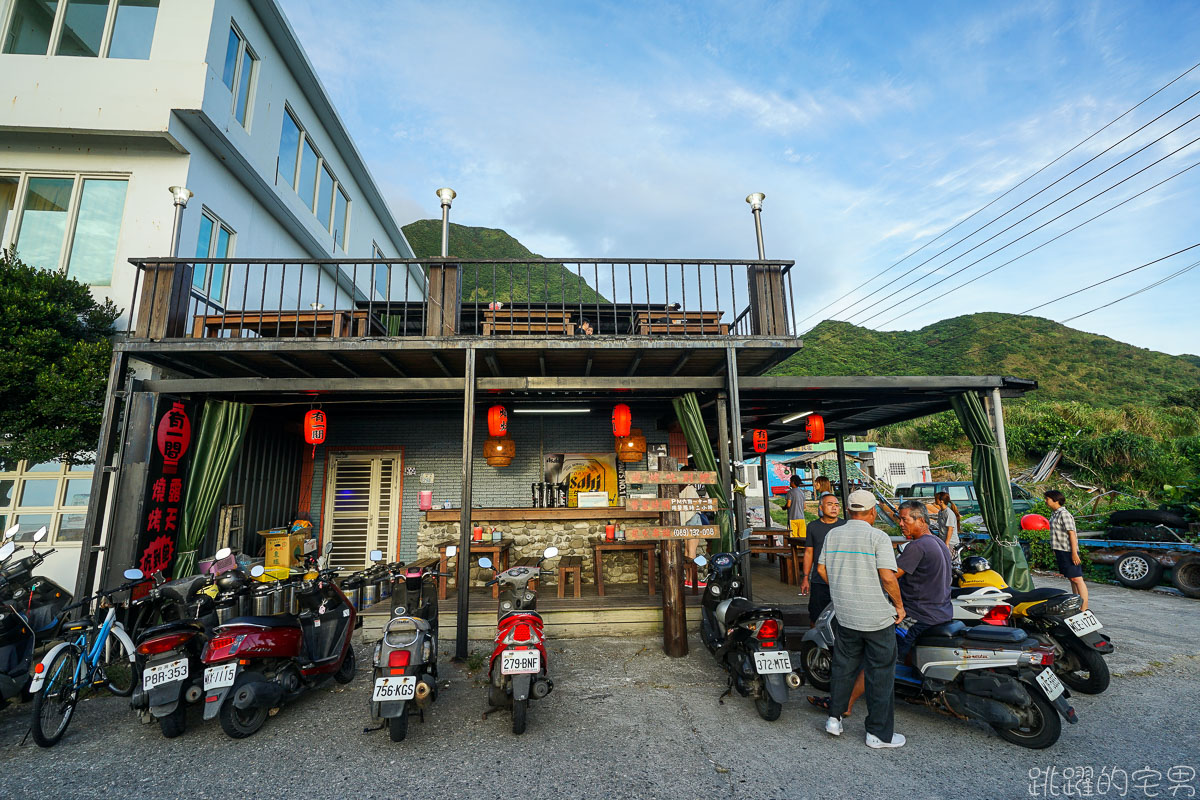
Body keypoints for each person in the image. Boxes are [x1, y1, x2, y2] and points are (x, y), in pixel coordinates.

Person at [817, 489, 905, 749]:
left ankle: (834, 719)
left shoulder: (833, 534)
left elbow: (821, 568)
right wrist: (899, 606)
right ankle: (878, 733)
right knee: (880, 673)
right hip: (877, 617)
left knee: (843, 667)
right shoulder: (878, 536)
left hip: (846, 614)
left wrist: (842, 589)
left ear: (848, 511)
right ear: (872, 512)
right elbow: (888, 577)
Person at [894, 501, 953, 661]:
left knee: (887, 656)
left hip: (918, 616)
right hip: (941, 613)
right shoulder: (938, 542)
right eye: (900, 519)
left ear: (921, 520)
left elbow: (891, 577)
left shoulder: (917, 546)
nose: (900, 524)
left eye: (904, 519)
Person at [800, 493, 843, 622]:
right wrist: (806, 577)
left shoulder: (845, 525)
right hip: (819, 580)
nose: (834, 508)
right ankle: (815, 641)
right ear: (820, 508)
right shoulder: (813, 527)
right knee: (816, 615)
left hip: (841, 579)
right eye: (829, 505)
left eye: (836, 505)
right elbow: (808, 553)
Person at [1045, 490, 1089, 612]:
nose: (1046, 501)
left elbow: (1072, 534)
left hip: (1068, 550)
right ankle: (1075, 604)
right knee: (1071, 578)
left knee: (1077, 579)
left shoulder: (1064, 514)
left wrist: (1074, 553)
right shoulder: (1054, 514)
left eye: (1047, 499)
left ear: (1056, 500)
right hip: (1060, 550)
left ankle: (1084, 608)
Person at [933, 491, 962, 561]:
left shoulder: (949, 513)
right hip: (943, 541)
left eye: (936, 498)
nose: (934, 500)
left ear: (941, 501)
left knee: (953, 562)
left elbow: (950, 529)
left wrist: (947, 543)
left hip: (951, 542)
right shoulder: (940, 512)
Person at [784, 474, 808, 540]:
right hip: (801, 518)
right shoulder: (801, 492)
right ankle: (801, 549)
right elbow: (804, 506)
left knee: (794, 537)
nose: (790, 482)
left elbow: (788, 505)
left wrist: (784, 507)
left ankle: (795, 550)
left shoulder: (790, 492)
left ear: (793, 482)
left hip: (793, 517)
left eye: (790, 481)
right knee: (802, 536)